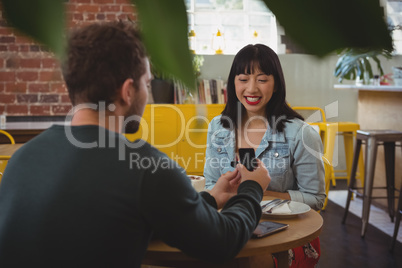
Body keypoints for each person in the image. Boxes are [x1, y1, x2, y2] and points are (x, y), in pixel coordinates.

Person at [0, 22, 271, 267]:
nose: (147, 92)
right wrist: (251, 187)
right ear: (128, 91)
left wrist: (211, 198)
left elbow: (130, 216)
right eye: (147, 83)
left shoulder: (23, 158)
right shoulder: (146, 167)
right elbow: (222, 242)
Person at [204, 44, 325, 267]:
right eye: (243, 79)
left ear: (276, 83)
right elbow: (212, 183)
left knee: (245, 259)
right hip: (235, 225)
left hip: (287, 236)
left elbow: (316, 199)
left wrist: (260, 191)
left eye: (262, 79)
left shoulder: (300, 133)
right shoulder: (217, 127)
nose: (252, 89)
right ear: (233, 84)